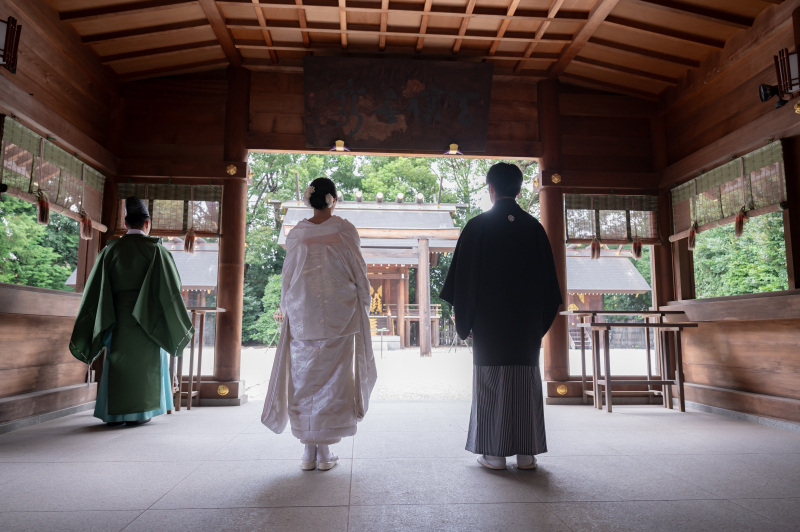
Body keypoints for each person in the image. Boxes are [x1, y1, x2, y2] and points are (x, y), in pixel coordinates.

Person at [440, 163, 562, 470]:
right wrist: (536, 327)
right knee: (525, 383)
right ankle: (527, 455)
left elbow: (464, 282)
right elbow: (550, 288)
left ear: (491, 189)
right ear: (519, 190)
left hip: (489, 325)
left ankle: (494, 455)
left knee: (491, 383)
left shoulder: (477, 226)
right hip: (525, 327)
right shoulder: (534, 228)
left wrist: (466, 321)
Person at [262, 177, 376, 471]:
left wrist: (286, 308)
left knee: (304, 381)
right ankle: (323, 452)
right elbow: (358, 271)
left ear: (309, 199)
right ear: (333, 199)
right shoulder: (344, 229)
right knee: (334, 382)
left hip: (304, 316)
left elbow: (288, 277)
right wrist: (364, 304)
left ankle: (309, 452)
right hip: (341, 315)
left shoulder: (298, 233)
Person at [69, 197, 194, 426]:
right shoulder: (157, 250)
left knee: (117, 363)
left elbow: (95, 288)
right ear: (147, 224)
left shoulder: (110, 250)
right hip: (150, 319)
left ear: (126, 224)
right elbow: (171, 290)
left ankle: (114, 415)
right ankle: (141, 413)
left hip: (116, 317)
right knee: (147, 366)